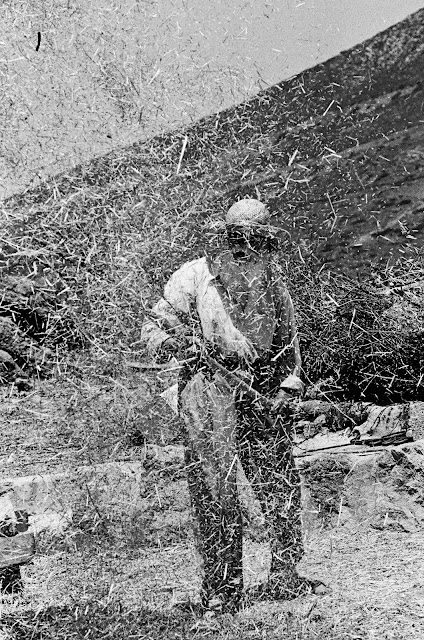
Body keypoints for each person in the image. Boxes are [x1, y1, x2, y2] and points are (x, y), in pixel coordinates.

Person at [140, 198, 328, 614]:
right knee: (215, 488)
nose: (245, 245)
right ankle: (222, 589)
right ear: (226, 237)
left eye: (254, 238)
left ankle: (285, 573)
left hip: (260, 386)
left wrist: (287, 388)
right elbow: (152, 329)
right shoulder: (194, 276)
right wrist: (175, 343)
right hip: (207, 386)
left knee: (278, 481)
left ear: (265, 240)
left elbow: (288, 344)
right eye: (237, 236)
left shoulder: (271, 279)